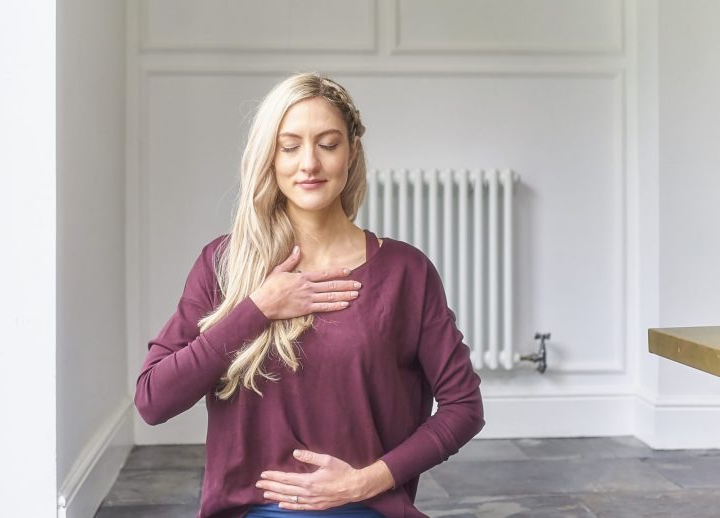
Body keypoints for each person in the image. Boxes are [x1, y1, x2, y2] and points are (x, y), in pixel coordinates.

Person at [134, 72, 485, 518]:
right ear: (270, 157)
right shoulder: (222, 264)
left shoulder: (406, 272)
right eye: (290, 145)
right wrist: (258, 309)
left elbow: (464, 407)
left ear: (351, 152)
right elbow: (152, 400)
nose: (309, 164)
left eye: (328, 143)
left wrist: (364, 481)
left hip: (367, 509)